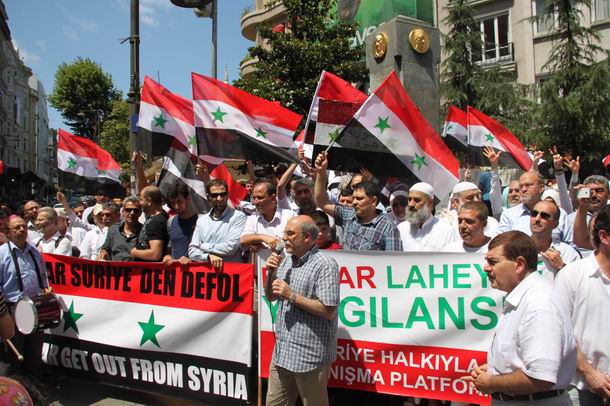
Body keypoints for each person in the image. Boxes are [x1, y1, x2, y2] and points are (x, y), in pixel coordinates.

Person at [465, 230, 576, 405]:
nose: (485, 268)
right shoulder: (524, 299)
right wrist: (497, 369)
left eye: (493, 262)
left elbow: (540, 377)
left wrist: (491, 382)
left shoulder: (539, 305)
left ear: (519, 264)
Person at [264, 215, 339, 406]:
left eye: (290, 234)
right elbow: (271, 296)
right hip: (282, 352)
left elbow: (328, 310)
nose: (284, 238)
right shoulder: (286, 261)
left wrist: (292, 296)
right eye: (284, 233)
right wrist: (270, 273)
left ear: (307, 237)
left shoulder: (325, 265)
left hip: (310, 356)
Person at [554, 207, 610, 405]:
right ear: (604, 237)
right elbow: (560, 331)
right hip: (581, 388)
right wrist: (588, 372)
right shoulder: (572, 275)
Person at [314, 152, 402, 251]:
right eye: (354, 197)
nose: (354, 202)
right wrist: (321, 172)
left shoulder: (388, 228)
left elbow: (394, 263)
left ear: (373, 201)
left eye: (359, 198)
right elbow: (322, 202)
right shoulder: (348, 215)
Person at [0, 215, 50, 376]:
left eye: (24, 227)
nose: (22, 230)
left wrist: (46, 289)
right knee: (12, 358)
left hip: (35, 307)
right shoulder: (1, 254)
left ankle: (32, 393)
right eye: (17, 228)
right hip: (11, 309)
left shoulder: (35, 251)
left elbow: (43, 277)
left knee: (34, 354)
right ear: (8, 232)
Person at [189, 179, 247, 268]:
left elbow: (230, 248)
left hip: (231, 273)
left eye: (222, 194)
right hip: (207, 274)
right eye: (215, 195)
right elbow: (192, 251)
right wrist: (208, 257)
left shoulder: (238, 217)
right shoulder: (202, 220)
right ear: (208, 197)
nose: (219, 198)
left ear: (227, 195)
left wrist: (203, 246)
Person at [497, 171, 567, 241]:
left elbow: (571, 245)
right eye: (521, 186)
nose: (523, 189)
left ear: (541, 188)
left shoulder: (559, 214)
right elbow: (499, 243)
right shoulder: (508, 215)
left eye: (528, 185)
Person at [240, 179, 296, 262]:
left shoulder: (290, 216)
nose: (255, 202)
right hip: (261, 271)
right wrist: (263, 238)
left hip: (286, 270)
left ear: (273, 198)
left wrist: (275, 243)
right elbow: (243, 240)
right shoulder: (252, 218)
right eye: (254, 198)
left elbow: (297, 241)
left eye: (260, 197)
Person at [397, 182, 458, 251]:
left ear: (430, 203)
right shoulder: (400, 229)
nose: (411, 204)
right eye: (409, 199)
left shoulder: (447, 232)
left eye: (417, 200)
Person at [529, 200, 581, 282]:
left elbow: (578, 284)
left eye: (544, 216)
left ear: (555, 224)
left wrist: (561, 266)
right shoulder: (515, 249)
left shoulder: (568, 253)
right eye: (534, 214)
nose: (537, 219)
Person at [162, 183, 199, 266]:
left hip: (196, 273)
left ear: (188, 199)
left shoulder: (201, 221)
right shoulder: (170, 222)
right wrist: (167, 256)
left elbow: (207, 251)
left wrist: (192, 260)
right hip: (177, 275)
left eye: (179, 201)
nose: (176, 206)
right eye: (173, 202)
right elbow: (170, 248)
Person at [131, 186, 169, 262]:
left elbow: (155, 254)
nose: (139, 203)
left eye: (141, 199)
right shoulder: (154, 218)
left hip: (151, 271)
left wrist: (134, 252)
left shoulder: (156, 222)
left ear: (149, 201)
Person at [98, 197, 142, 261]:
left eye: (135, 210)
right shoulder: (113, 229)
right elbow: (106, 248)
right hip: (116, 269)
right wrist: (103, 253)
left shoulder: (144, 231)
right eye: (128, 210)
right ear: (123, 212)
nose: (132, 213)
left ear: (140, 213)